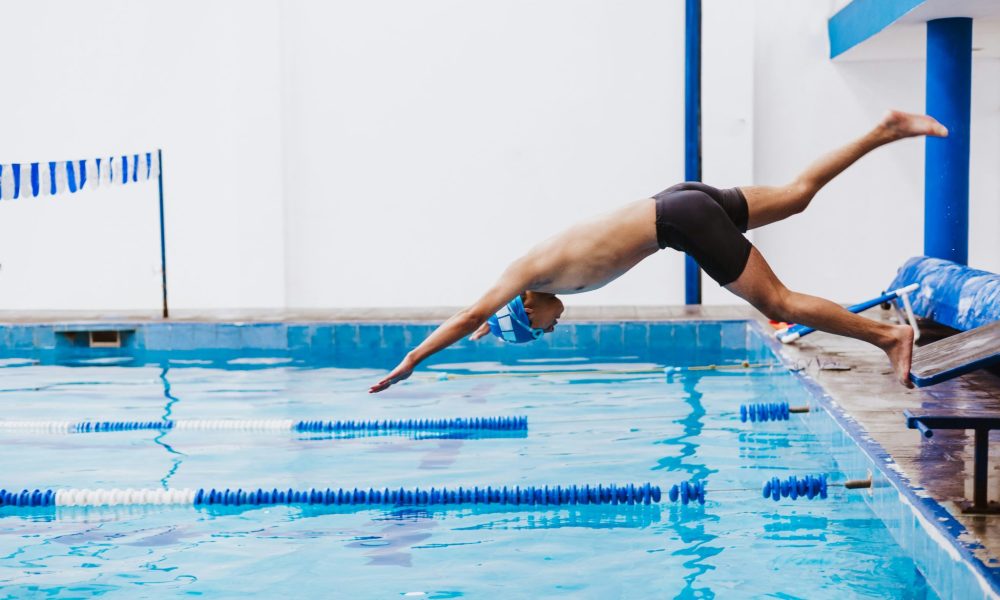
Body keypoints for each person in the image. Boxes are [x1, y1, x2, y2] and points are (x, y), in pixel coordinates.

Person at [369, 111, 947, 393]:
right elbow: (486, 322)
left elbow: (473, 312)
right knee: (796, 197)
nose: (548, 331)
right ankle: (886, 129)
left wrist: (414, 360)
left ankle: (889, 337)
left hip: (680, 218)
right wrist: (491, 332)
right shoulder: (534, 284)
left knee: (781, 303)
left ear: (525, 302)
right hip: (677, 200)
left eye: (536, 329)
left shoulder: (527, 271)